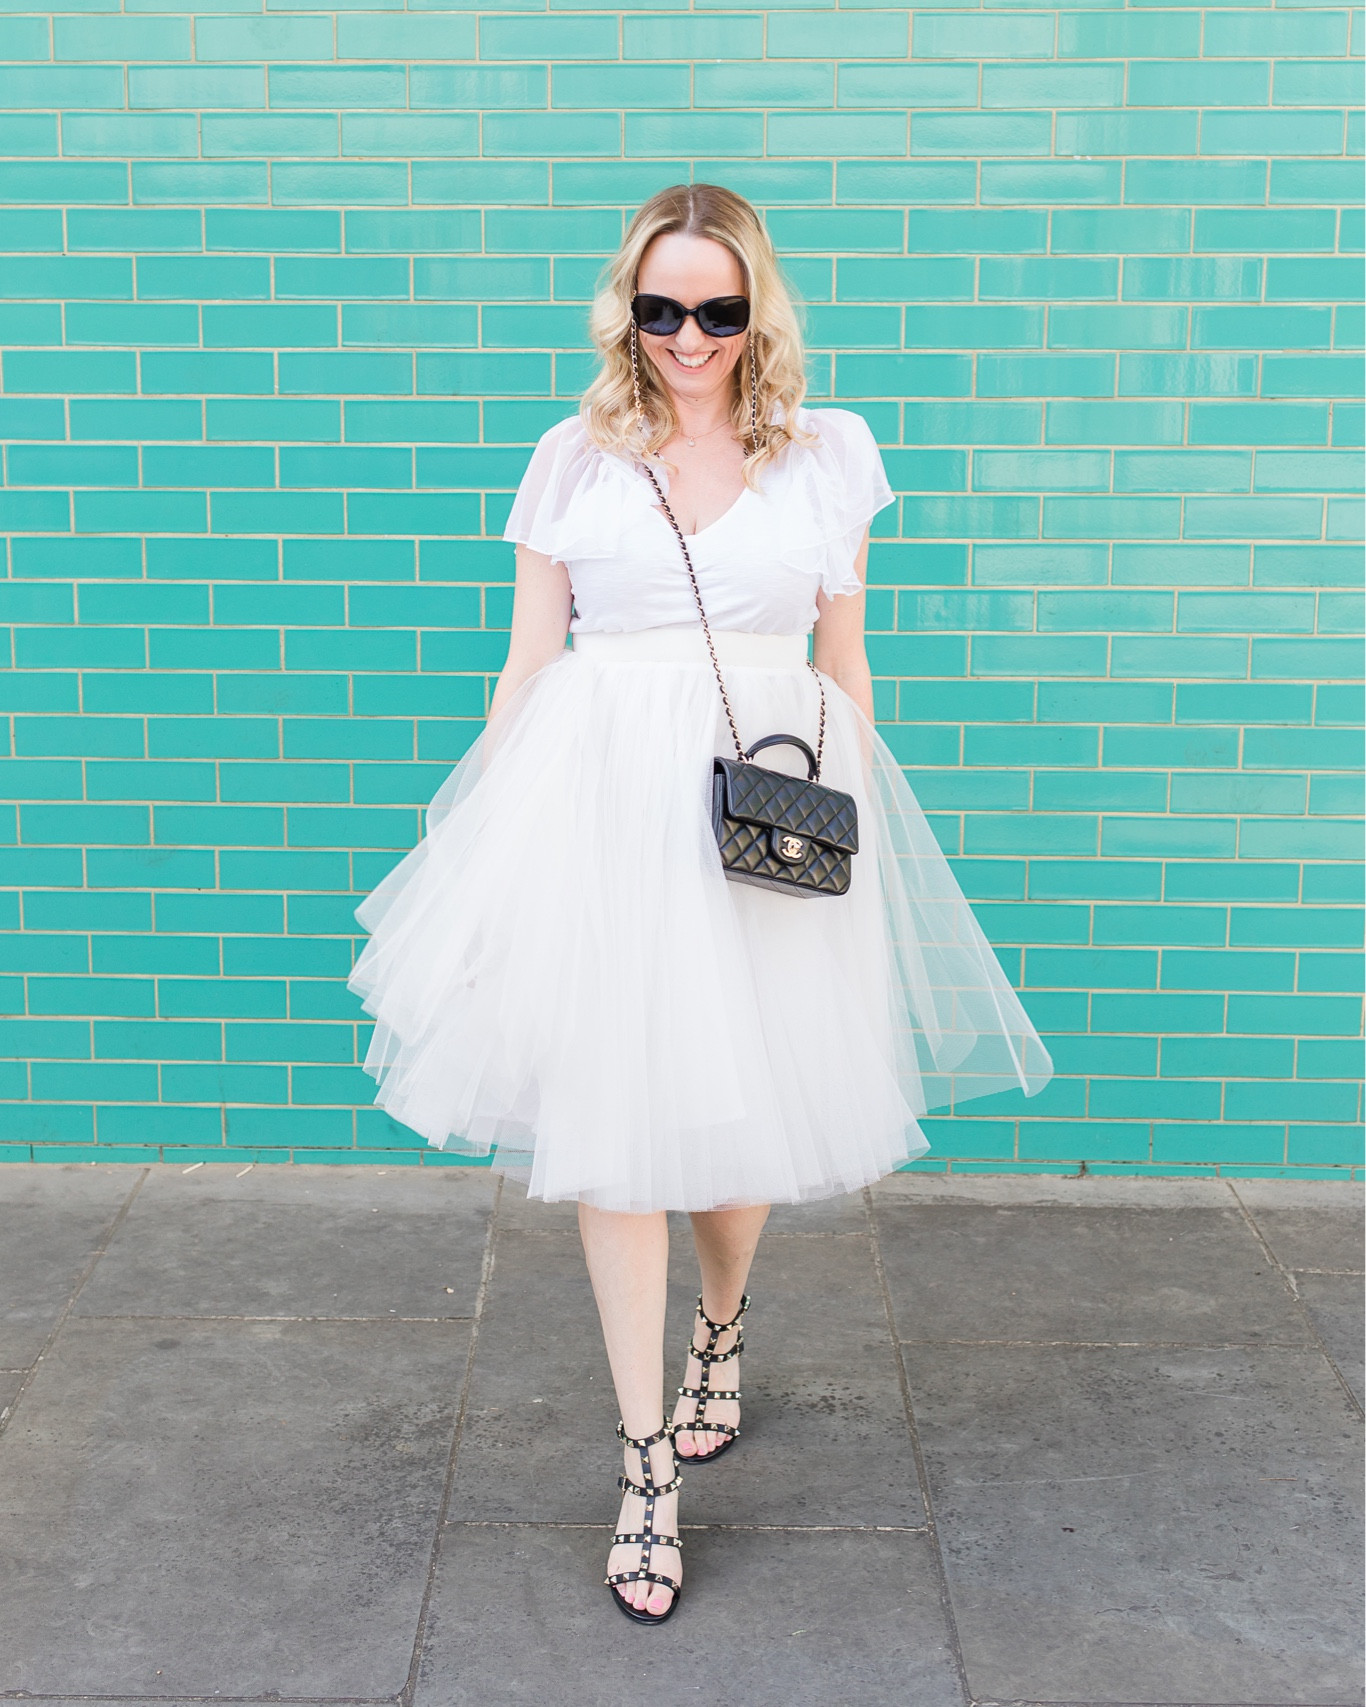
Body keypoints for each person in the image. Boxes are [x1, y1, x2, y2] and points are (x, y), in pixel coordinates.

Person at [348, 182, 1053, 1624]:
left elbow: (843, 662)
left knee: (742, 1116)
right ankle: (643, 1471)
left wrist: (858, 824)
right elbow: (528, 660)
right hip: (594, 813)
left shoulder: (828, 454)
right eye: (660, 309)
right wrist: (487, 844)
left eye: (715, 310)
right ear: (628, 311)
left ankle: (719, 1332)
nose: (686, 337)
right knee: (614, 1141)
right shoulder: (573, 455)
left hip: (765, 809)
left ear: (757, 313)